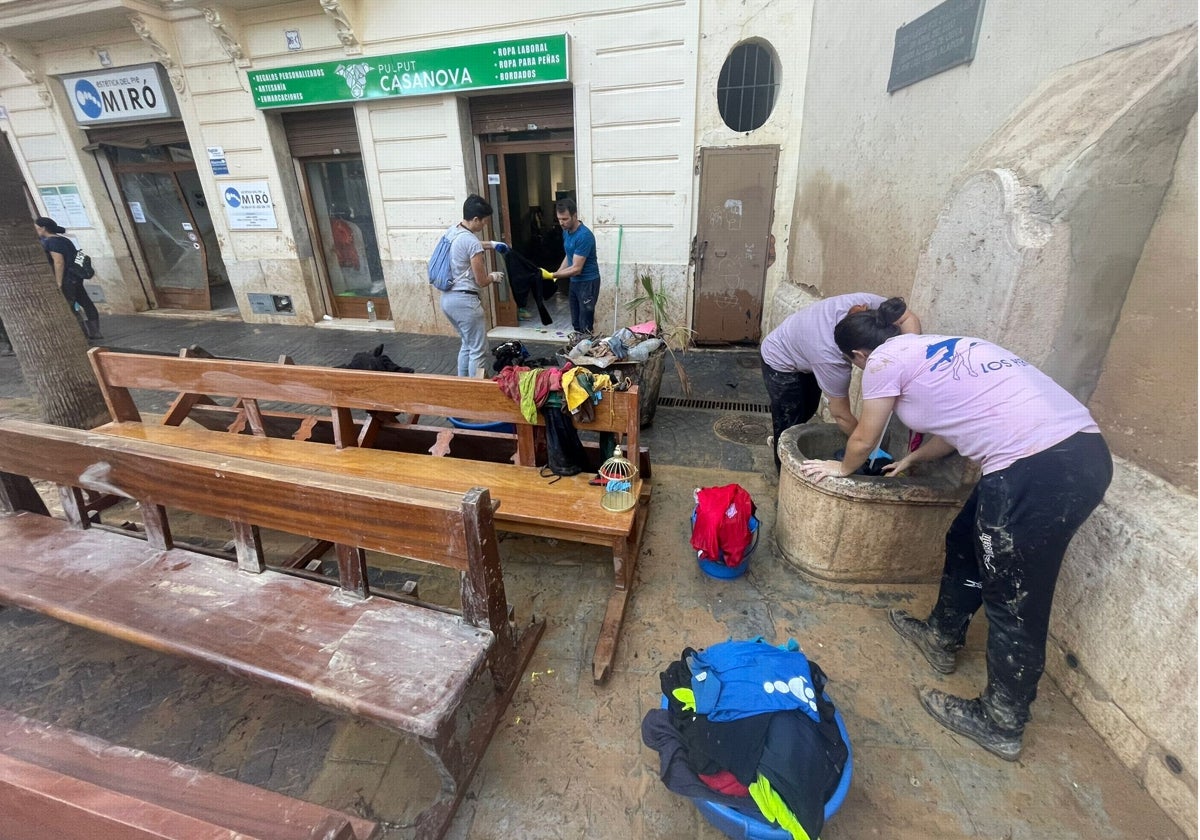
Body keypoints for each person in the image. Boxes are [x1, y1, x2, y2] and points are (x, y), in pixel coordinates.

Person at [798, 300, 1113, 761]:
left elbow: (864, 437)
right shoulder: (938, 348)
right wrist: (912, 458)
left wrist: (844, 469)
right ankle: (941, 634)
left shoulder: (884, 360)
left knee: (1013, 598)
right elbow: (955, 424)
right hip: (1070, 455)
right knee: (965, 538)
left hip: (1038, 468)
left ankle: (1001, 721)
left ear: (859, 357)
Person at [760, 293, 921, 470]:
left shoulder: (874, 309)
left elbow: (907, 317)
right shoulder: (830, 360)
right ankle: (783, 470)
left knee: (809, 408)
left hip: (806, 346)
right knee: (790, 417)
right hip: (779, 358)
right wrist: (868, 448)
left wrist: (908, 355)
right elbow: (841, 415)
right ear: (860, 355)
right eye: (880, 363)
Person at [438, 195, 504, 378]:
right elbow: (481, 280)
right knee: (478, 350)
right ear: (475, 219)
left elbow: (467, 244)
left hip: (447, 299)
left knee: (467, 344)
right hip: (465, 302)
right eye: (483, 222)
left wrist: (491, 245)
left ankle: (463, 385)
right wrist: (493, 276)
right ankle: (477, 389)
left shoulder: (452, 232)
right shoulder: (471, 242)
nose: (484, 225)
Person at [35, 216, 102, 340]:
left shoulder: (51, 242)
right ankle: (95, 331)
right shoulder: (64, 240)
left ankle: (82, 335)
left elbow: (59, 262)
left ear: (43, 228)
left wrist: (58, 282)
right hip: (75, 276)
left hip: (66, 279)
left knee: (69, 306)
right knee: (85, 302)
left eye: (37, 227)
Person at [546, 198, 600, 335]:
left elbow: (576, 269)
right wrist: (557, 273)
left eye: (565, 219)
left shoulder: (584, 236)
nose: (561, 223)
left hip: (588, 283)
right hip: (575, 283)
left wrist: (553, 275)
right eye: (559, 219)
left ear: (575, 215)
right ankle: (579, 349)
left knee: (585, 324)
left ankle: (588, 352)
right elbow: (569, 256)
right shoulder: (566, 232)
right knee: (576, 323)